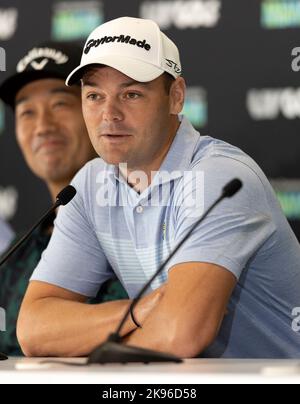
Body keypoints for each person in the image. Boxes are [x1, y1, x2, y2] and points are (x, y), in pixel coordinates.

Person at [18, 17, 300, 359]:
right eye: (94, 95)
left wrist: (98, 341)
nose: (109, 114)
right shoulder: (91, 185)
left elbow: (181, 333)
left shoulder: (218, 175)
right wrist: (139, 311)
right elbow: (33, 329)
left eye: (131, 93)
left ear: (176, 97)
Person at [0, 41, 128, 356]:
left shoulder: (140, 229)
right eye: (27, 112)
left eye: (60, 104)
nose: (43, 126)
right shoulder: (19, 250)